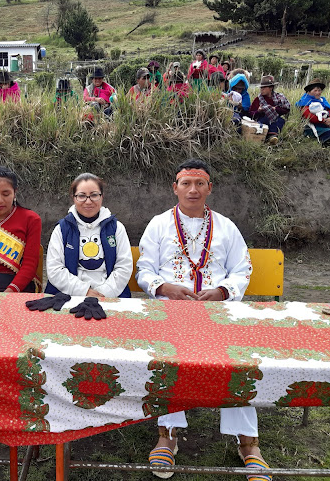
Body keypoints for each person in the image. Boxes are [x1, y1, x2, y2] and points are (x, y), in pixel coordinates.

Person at [136, 159, 270, 481]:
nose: (192, 190)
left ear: (210, 188)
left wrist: (223, 291)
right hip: (172, 310)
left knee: (238, 364)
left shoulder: (226, 227)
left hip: (219, 313)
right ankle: (167, 435)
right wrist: (164, 287)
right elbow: (144, 271)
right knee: (167, 360)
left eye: (200, 183)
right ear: (175, 188)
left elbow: (243, 269)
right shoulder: (158, 225)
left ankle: (249, 443)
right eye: (186, 183)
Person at [45, 173, 133, 298]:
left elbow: (124, 266)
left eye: (94, 195)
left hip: (110, 295)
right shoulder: (62, 229)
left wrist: (104, 293)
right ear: (73, 197)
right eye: (81, 196)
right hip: (69, 294)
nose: (88, 201)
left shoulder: (116, 228)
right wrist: (84, 291)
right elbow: (55, 269)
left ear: (102, 196)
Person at [248, 75, 290, 145]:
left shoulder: (279, 97)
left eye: (264, 87)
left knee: (280, 120)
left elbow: (286, 109)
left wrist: (275, 109)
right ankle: (266, 137)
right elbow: (250, 114)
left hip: (276, 120)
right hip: (263, 121)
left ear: (271, 88)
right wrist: (258, 111)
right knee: (264, 120)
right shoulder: (258, 99)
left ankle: (272, 137)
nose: (262, 89)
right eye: (261, 87)